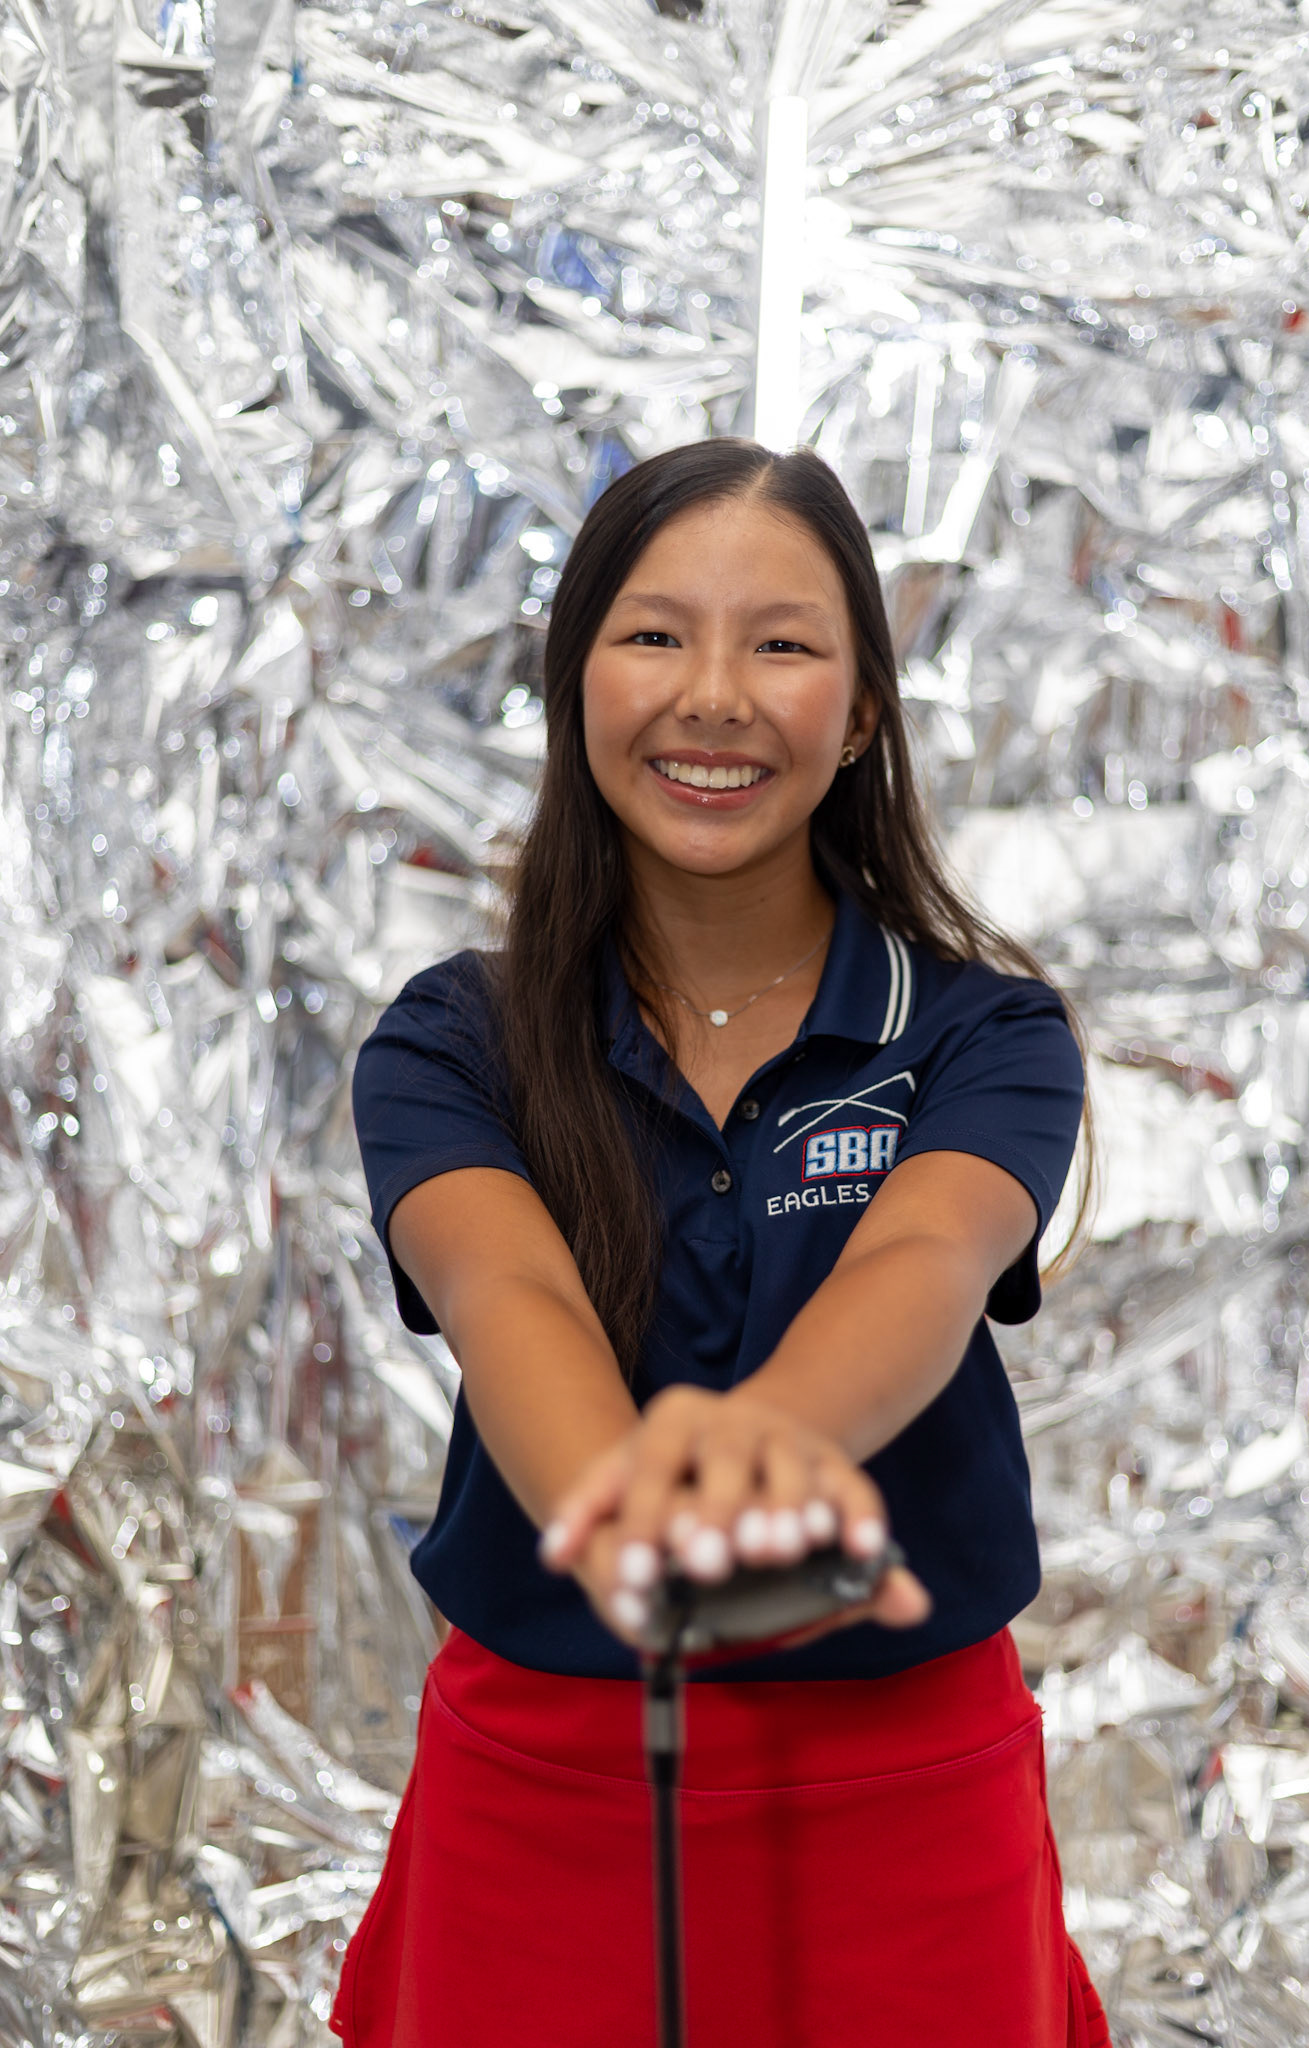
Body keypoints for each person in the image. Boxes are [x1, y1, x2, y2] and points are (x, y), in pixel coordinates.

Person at [330, 438, 1111, 2048]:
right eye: (654, 634)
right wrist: (626, 1518)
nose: (713, 696)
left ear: (862, 710)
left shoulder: (986, 1034)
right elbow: (506, 1286)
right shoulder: (451, 1043)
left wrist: (761, 1443)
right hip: (546, 1790)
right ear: (574, 683)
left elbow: (924, 1260)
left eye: (781, 643)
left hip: (907, 1793)